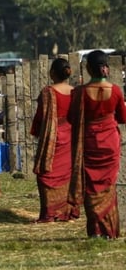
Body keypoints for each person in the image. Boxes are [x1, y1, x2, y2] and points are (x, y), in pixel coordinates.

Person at [68, 50, 125, 239]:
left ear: (88, 68)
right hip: (110, 143)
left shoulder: (79, 92)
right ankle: (110, 231)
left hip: (89, 142)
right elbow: (123, 117)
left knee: (91, 186)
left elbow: (71, 118)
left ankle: (96, 231)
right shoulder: (116, 90)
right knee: (108, 186)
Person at [30, 58, 80, 223]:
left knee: (46, 174)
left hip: (53, 137)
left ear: (52, 73)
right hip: (71, 137)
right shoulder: (75, 92)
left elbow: (40, 116)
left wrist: (36, 131)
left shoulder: (48, 92)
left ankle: (50, 212)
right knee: (68, 173)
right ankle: (66, 211)